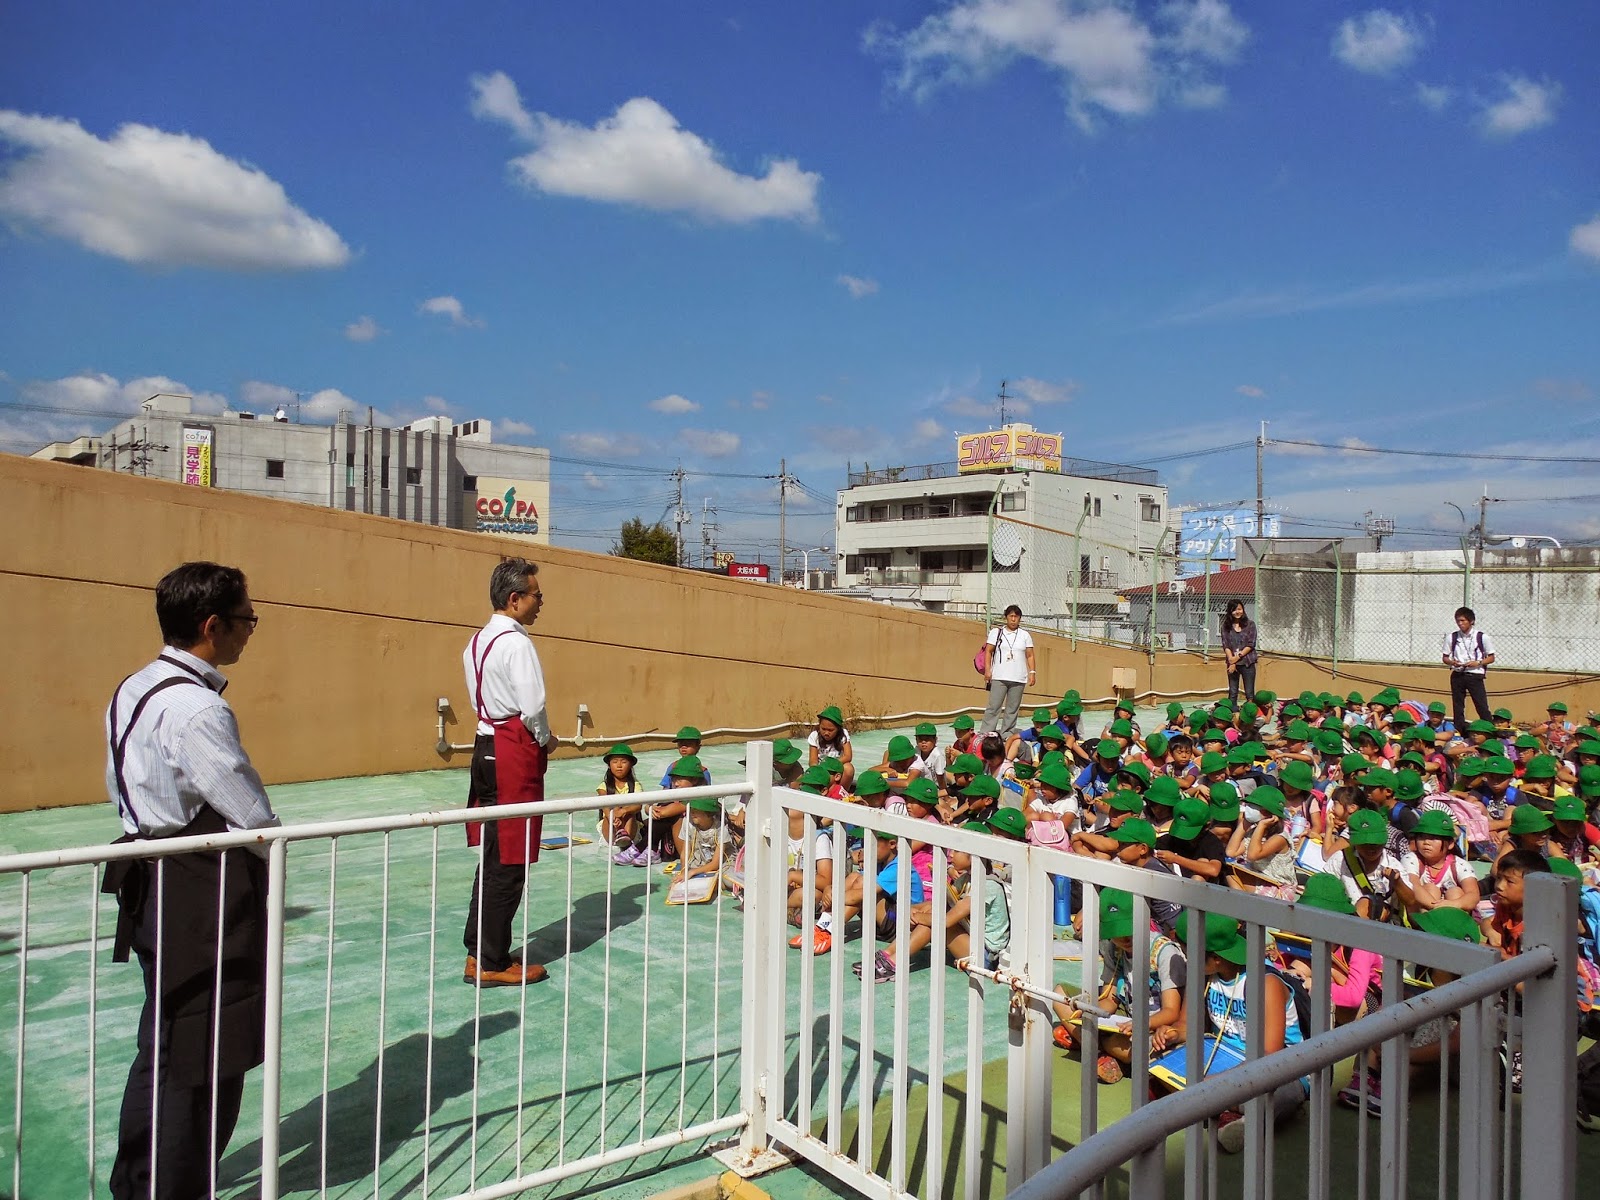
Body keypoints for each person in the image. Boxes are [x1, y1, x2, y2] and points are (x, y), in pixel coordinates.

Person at [102, 562, 282, 1199]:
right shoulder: (196, 708)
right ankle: (173, 1185)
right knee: (204, 1058)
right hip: (196, 891)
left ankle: (143, 1180)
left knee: (167, 1040)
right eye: (245, 620)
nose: (249, 632)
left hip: (150, 877)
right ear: (212, 626)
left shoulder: (135, 687)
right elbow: (252, 814)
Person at [462, 557, 553, 988]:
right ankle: (492, 960)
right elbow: (532, 706)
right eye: (536, 595)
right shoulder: (517, 644)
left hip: (484, 749)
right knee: (509, 858)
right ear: (514, 599)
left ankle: (479, 950)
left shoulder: (476, 642)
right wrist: (545, 739)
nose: (541, 603)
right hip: (511, 751)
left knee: (493, 854)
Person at [981, 604, 1036, 736]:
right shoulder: (996, 632)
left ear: (1020, 618)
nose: (1013, 619)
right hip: (999, 676)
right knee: (994, 707)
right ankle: (986, 732)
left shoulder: (1025, 635)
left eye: (1016, 616)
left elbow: (1030, 655)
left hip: (1018, 678)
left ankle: (1007, 733)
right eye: (1011, 616)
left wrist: (1032, 672)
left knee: (1012, 709)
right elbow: (988, 651)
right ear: (1006, 617)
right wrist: (987, 670)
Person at [1442, 606, 1495, 732]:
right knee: (1458, 705)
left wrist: (1478, 663)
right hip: (1458, 673)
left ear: (1471, 621)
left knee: (1481, 704)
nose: (1460, 624)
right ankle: (1460, 730)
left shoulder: (1482, 637)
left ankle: (1489, 730)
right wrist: (1452, 662)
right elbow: (1445, 657)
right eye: (1458, 621)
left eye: (1463, 620)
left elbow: (1491, 657)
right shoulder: (1452, 637)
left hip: (1475, 674)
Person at [1220, 600, 1258, 707]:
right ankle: (1232, 715)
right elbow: (1226, 644)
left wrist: (1236, 658)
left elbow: (1251, 644)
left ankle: (1249, 715)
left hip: (1247, 662)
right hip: (1232, 664)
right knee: (1232, 692)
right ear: (1230, 611)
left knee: (1249, 693)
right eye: (1235, 610)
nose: (1238, 612)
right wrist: (1231, 661)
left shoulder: (1250, 624)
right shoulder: (1225, 626)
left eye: (1240, 609)